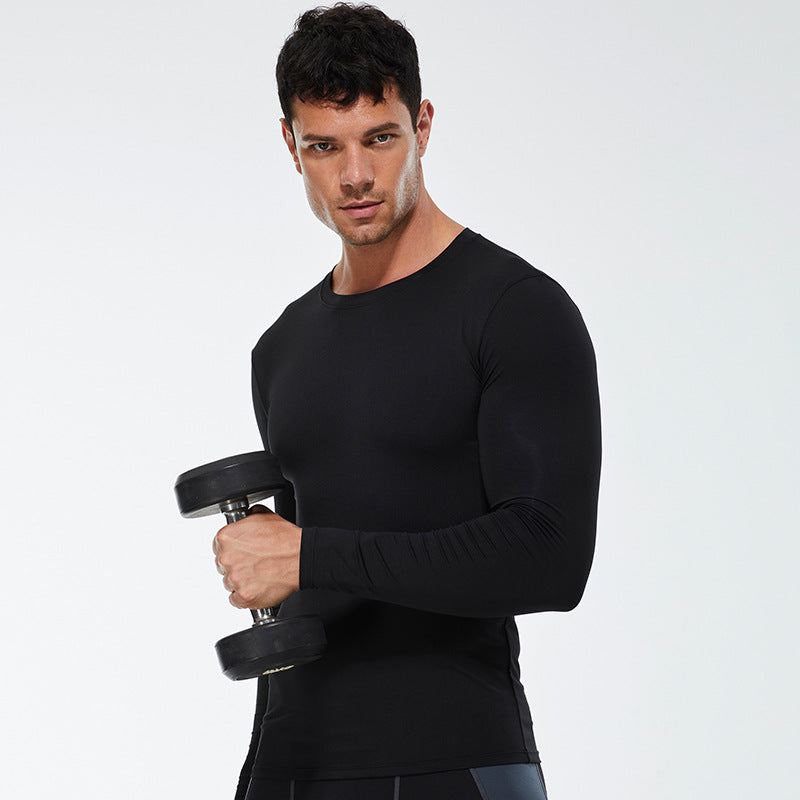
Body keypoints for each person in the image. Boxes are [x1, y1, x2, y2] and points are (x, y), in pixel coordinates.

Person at [212, 4, 601, 799]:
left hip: (455, 763)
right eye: (325, 146)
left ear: (422, 125)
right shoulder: (281, 347)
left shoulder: (514, 309)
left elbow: (550, 557)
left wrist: (308, 555)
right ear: (290, 144)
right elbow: (304, 585)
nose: (355, 176)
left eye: (380, 138)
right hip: (294, 765)